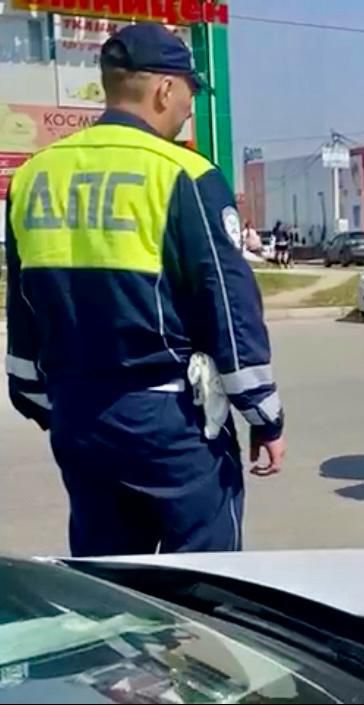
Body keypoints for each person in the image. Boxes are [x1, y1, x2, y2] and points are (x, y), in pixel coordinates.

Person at [4, 23, 286, 557]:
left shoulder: (35, 175)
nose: (188, 106)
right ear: (163, 89)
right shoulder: (183, 173)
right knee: (203, 580)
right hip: (168, 420)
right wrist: (263, 413)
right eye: (188, 92)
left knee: (110, 580)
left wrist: (42, 399)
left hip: (78, 415)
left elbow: (24, 307)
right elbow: (227, 304)